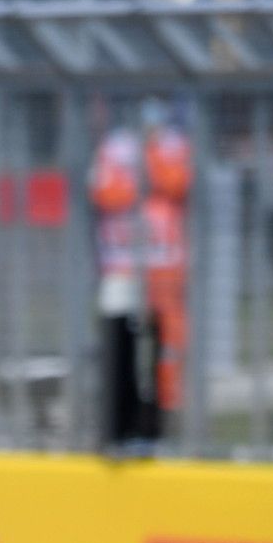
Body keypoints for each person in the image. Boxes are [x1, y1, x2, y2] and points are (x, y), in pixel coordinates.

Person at [90, 99, 192, 419]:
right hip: (121, 262)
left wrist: (148, 160)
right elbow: (105, 192)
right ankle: (121, 411)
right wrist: (144, 186)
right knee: (120, 337)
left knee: (168, 338)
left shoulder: (174, 145)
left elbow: (177, 183)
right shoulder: (114, 146)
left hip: (164, 261)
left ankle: (166, 407)